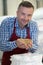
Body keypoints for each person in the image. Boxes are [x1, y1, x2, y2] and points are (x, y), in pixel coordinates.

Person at [0, 1, 38, 65]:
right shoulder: (7, 23)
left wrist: (30, 46)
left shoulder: (33, 25)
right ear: (17, 13)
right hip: (8, 62)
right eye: (23, 14)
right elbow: (1, 46)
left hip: (24, 62)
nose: (26, 18)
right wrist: (15, 43)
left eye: (29, 15)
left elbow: (35, 48)